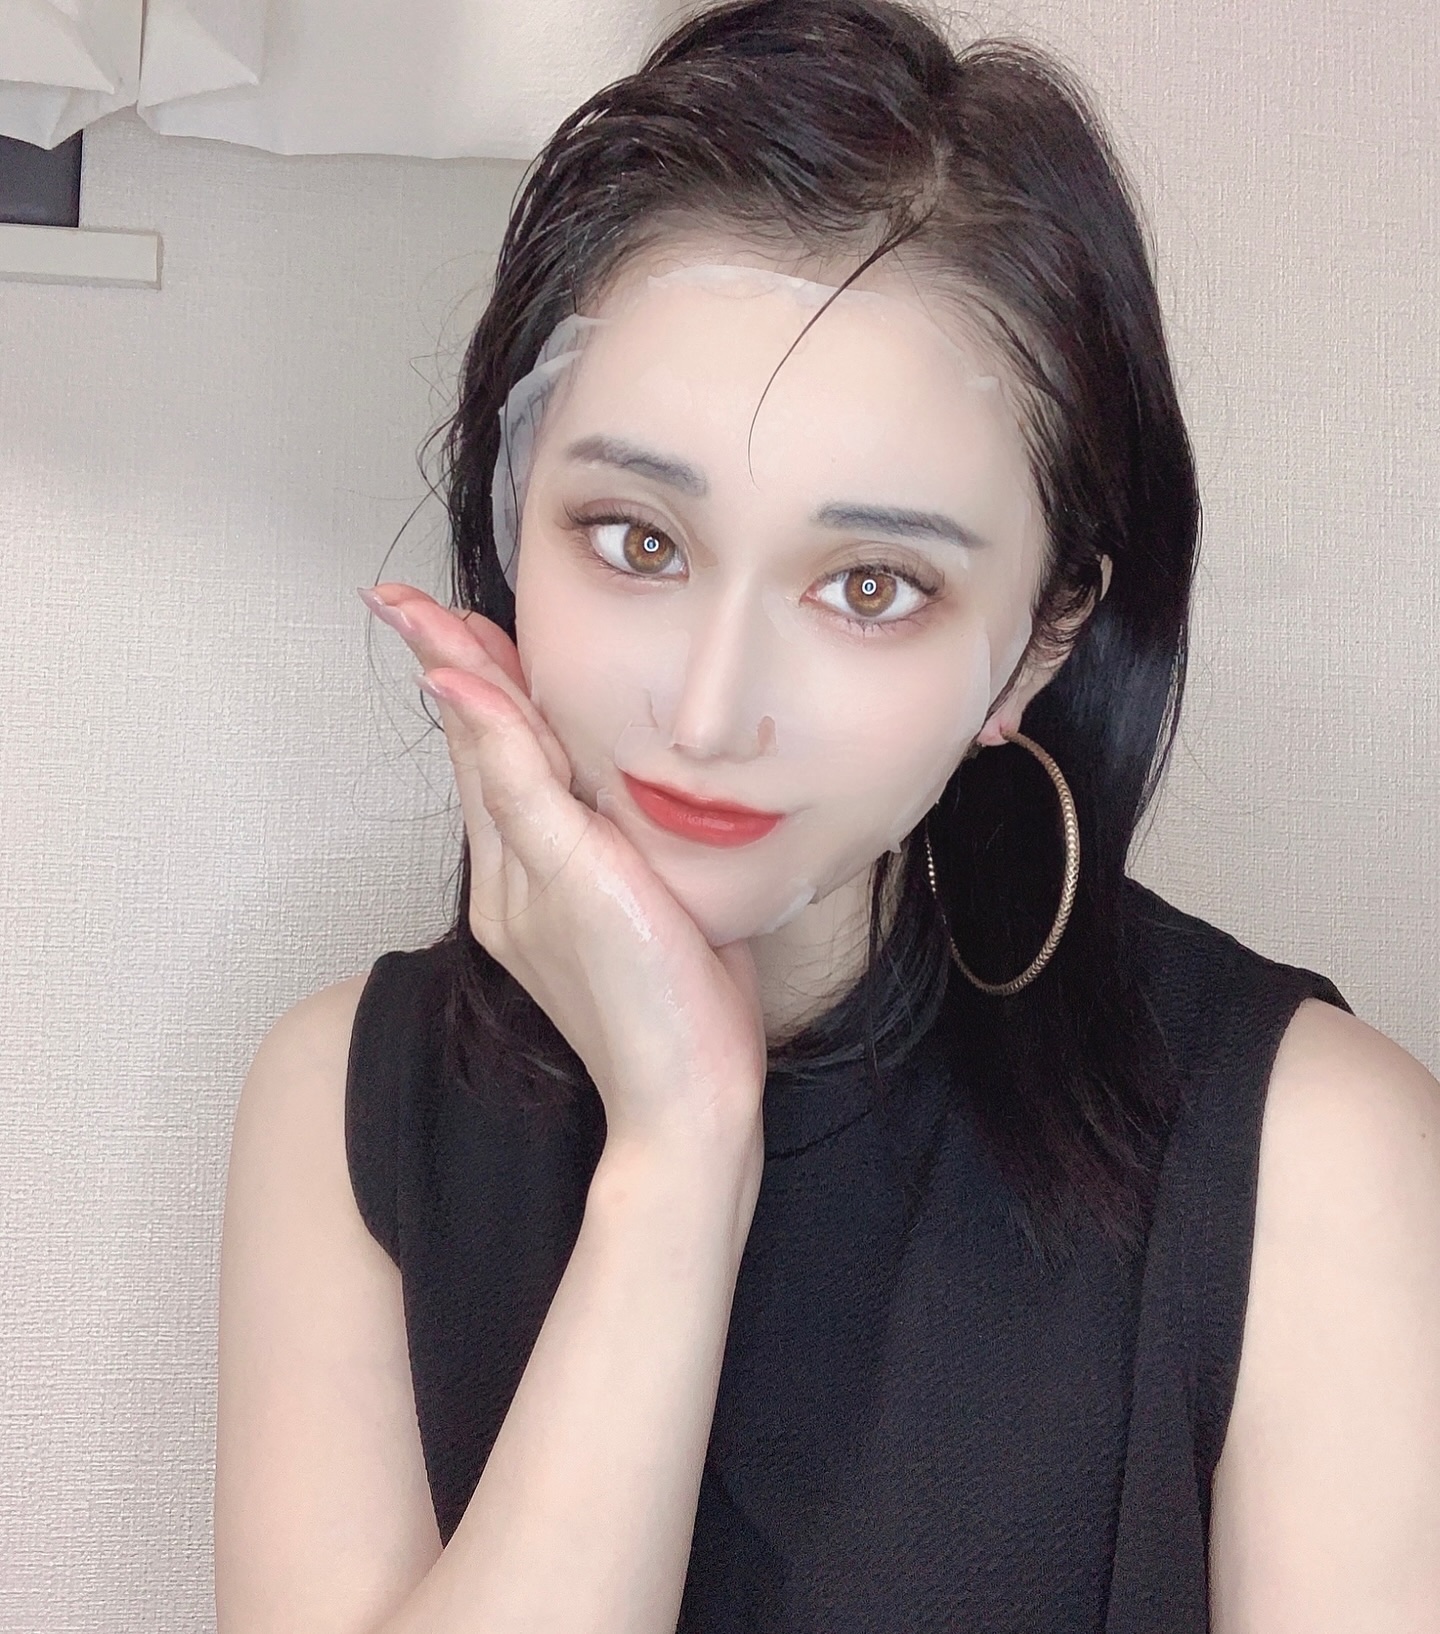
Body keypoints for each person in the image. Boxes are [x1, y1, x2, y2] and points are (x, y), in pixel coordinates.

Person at [212, 3, 1440, 1631]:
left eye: (871, 585)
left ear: (1041, 640)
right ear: (510, 515)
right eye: (636, 538)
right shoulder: (347, 1105)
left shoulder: (1315, 1155)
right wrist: (680, 1151)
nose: (713, 710)